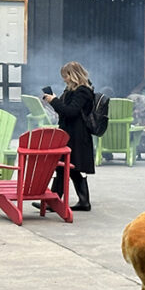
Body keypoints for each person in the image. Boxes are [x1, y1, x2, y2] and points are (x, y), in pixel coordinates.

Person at [43, 61, 95, 211]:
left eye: (65, 76)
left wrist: (55, 101)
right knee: (69, 168)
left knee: (66, 167)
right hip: (70, 134)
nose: (64, 79)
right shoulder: (72, 90)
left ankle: (53, 201)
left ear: (72, 76)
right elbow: (64, 110)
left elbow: (71, 111)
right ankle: (80, 201)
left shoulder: (83, 91)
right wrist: (53, 101)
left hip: (77, 135)